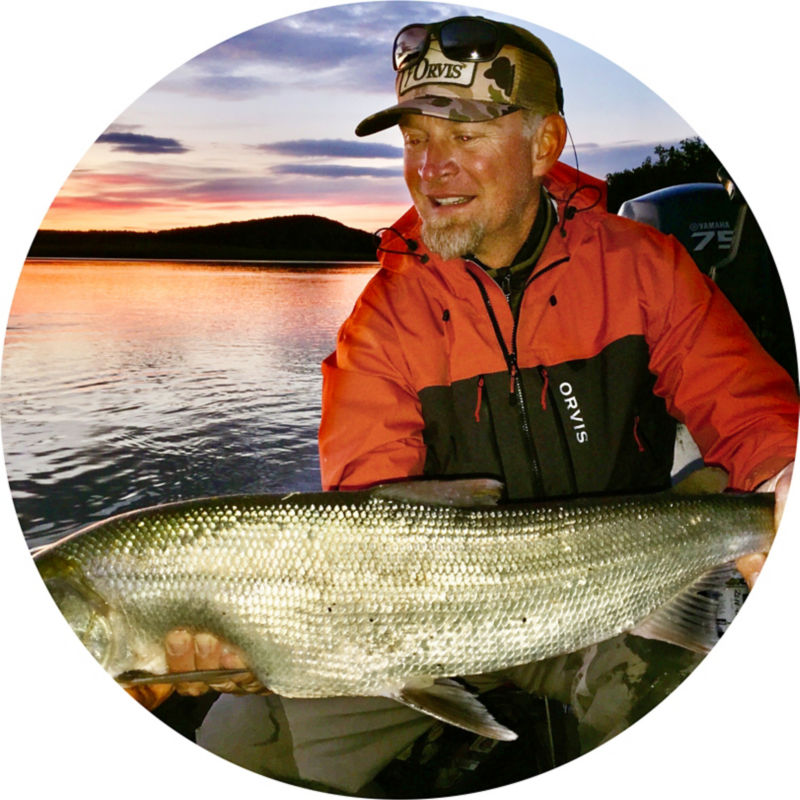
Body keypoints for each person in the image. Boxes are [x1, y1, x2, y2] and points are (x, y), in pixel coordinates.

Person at [135, 14, 796, 793]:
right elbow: (365, 529)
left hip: (620, 592)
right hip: (423, 624)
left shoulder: (646, 267)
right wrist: (258, 636)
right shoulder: (381, 321)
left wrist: (783, 481)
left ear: (546, 144)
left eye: (464, 135)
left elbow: (751, 414)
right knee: (238, 748)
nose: (431, 168)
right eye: (415, 138)